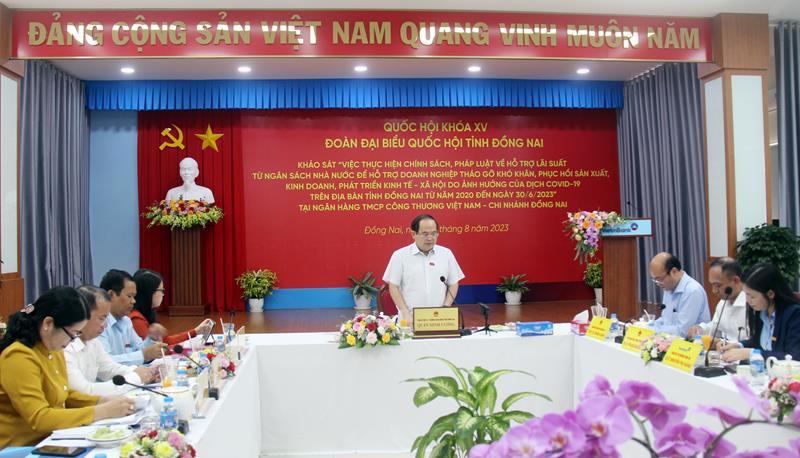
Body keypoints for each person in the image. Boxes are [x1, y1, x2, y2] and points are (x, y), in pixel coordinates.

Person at [0, 286, 134, 447]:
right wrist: (101, 411)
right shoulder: (19, 356)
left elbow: (64, 394)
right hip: (22, 447)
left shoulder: (52, 349)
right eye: (73, 334)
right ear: (48, 323)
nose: (72, 340)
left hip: (51, 439)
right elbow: (39, 418)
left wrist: (101, 400)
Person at [65, 285, 159, 396]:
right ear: (82, 315)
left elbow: (109, 368)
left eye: (106, 318)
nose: (105, 325)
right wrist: (136, 378)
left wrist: (145, 372)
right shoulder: (65, 346)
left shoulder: (92, 341)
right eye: (102, 318)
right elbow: (84, 392)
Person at [382, 214, 464, 322]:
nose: (430, 238)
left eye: (434, 233)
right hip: (410, 318)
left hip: (439, 319)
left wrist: (446, 307)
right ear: (413, 234)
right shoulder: (400, 256)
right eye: (425, 234)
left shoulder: (446, 254)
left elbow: (453, 283)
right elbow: (393, 286)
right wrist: (404, 312)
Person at [720, 263, 800, 362]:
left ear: (770, 294)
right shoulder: (762, 311)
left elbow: (794, 357)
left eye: (752, 296)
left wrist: (751, 353)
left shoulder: (794, 314)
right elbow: (758, 342)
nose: (748, 300)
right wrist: (739, 345)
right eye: (746, 294)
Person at [97, 269, 167, 365]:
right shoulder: (99, 324)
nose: (133, 301)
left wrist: (151, 338)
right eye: (129, 296)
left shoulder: (126, 321)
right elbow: (104, 363)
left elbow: (137, 349)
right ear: (111, 295)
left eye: (134, 297)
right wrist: (143, 355)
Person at [131, 269, 214, 345]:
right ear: (149, 292)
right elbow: (156, 349)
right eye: (161, 290)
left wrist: (196, 331)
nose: (163, 294)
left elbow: (165, 341)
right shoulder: (136, 320)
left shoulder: (147, 313)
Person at [687, 257, 749, 341]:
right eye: (712, 285)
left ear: (735, 280)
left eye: (718, 286)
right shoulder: (723, 302)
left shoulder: (751, 304)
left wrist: (724, 343)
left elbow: (752, 341)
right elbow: (716, 328)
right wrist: (701, 329)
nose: (714, 291)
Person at [649, 252, 710, 337]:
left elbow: (682, 331)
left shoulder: (692, 291)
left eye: (659, 279)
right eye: (655, 280)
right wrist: (646, 326)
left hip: (690, 343)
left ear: (674, 272)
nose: (658, 283)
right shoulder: (668, 288)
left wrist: (653, 331)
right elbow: (665, 321)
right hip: (669, 340)